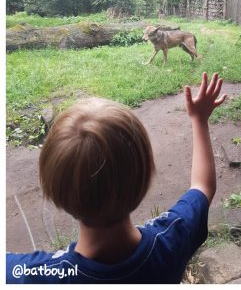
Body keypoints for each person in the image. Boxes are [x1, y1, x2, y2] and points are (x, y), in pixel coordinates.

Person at [6, 72, 226, 284]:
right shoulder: (170, 240)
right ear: (143, 176)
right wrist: (199, 120)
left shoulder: (35, 275)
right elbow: (203, 187)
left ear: (55, 191)